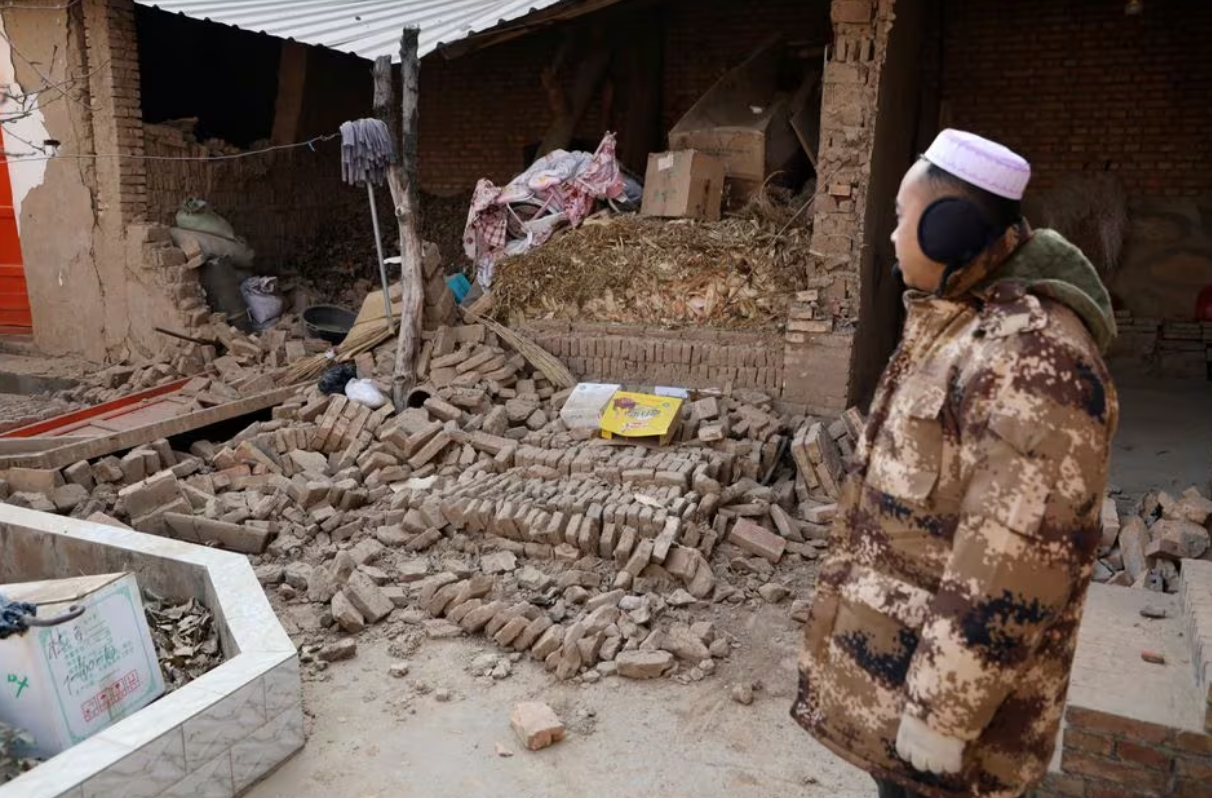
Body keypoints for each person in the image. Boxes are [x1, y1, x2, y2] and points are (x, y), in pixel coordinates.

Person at [791, 129, 1119, 798]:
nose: (890, 236)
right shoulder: (958, 326)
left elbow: (1014, 557)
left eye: (901, 219)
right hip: (905, 689)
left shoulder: (1035, 359)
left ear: (948, 230)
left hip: (954, 734)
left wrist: (943, 716)